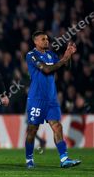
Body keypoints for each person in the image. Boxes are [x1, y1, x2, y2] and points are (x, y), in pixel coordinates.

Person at [24, 31, 81, 169]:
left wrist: (69, 55)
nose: (46, 41)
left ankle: (64, 159)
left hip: (51, 99)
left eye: (47, 39)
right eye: (43, 39)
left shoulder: (51, 54)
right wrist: (64, 58)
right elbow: (47, 70)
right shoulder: (31, 55)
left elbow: (66, 67)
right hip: (36, 98)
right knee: (32, 130)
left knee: (57, 126)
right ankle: (29, 159)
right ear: (35, 42)